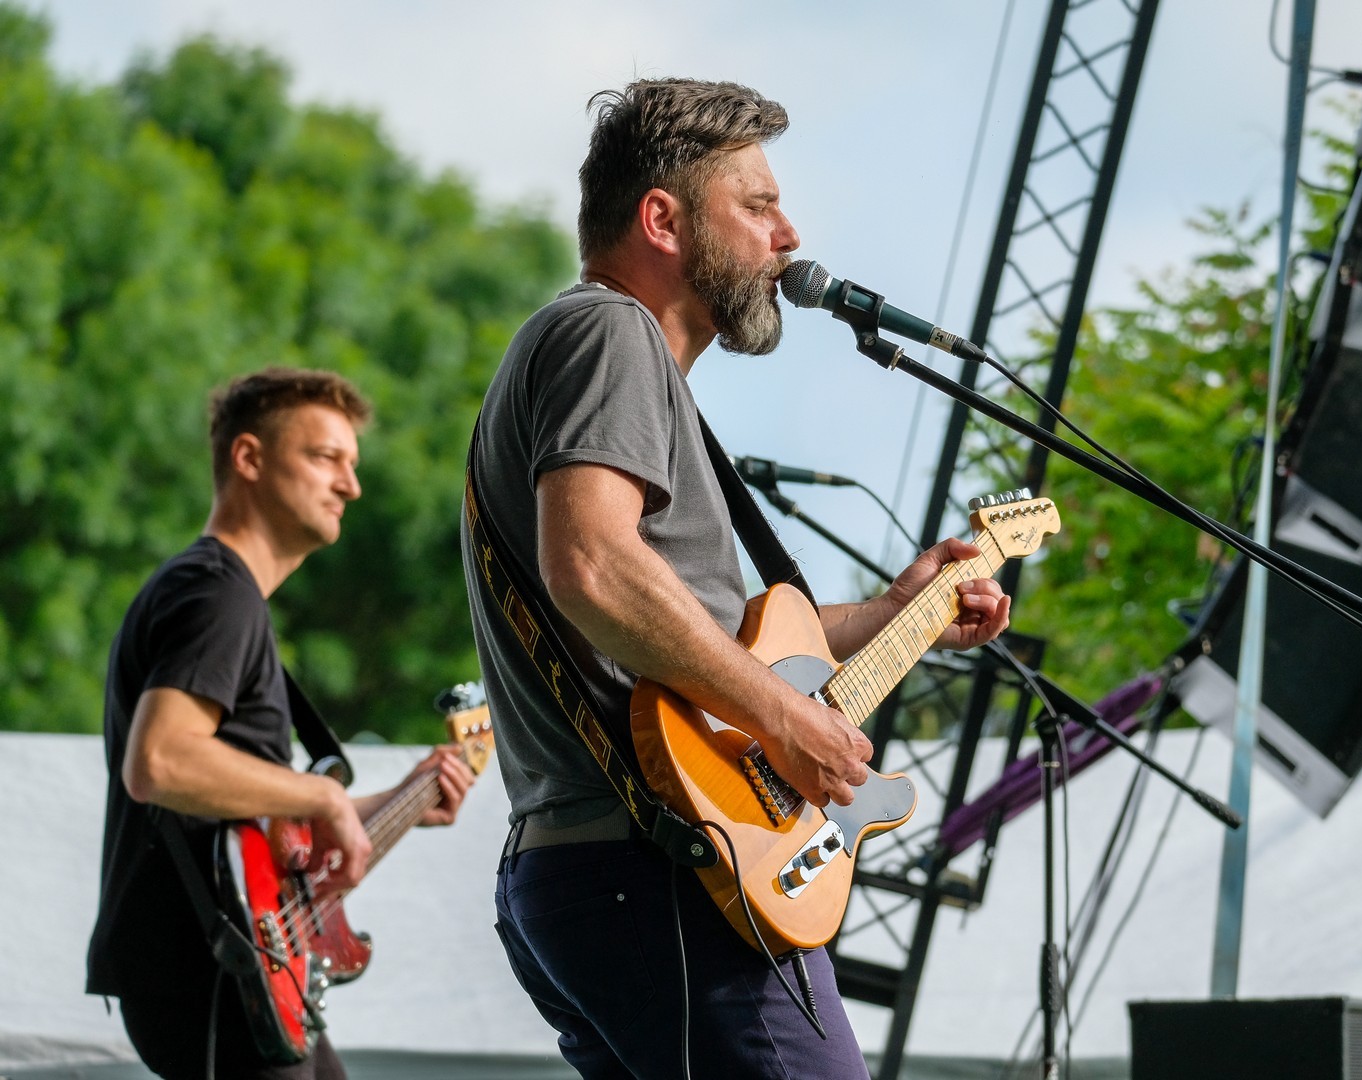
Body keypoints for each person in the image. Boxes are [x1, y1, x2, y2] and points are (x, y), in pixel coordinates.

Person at [461, 79, 1011, 1078]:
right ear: (661, 220)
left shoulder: (608, 357)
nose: (788, 236)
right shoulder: (610, 331)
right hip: (664, 870)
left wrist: (901, 612)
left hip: (604, 871)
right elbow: (591, 564)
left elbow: (709, 639)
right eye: (757, 206)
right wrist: (785, 718)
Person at [87, 367, 476, 1080]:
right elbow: (161, 762)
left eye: (351, 465)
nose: (350, 486)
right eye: (326, 457)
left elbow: (259, 824)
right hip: (211, 971)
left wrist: (398, 802)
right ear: (248, 458)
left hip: (232, 966)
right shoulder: (218, 593)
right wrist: (325, 796)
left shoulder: (222, 595)